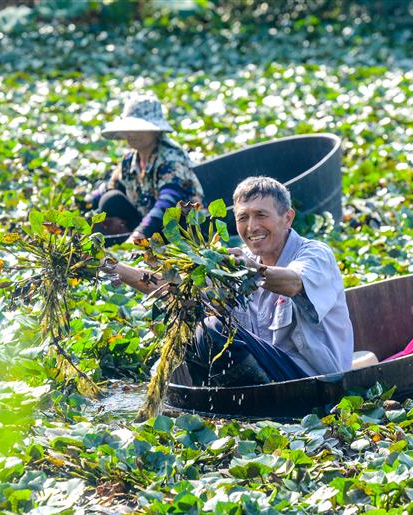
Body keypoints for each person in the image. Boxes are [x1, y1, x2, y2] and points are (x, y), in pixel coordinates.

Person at [114, 176, 354, 386]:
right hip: (268, 370)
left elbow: (293, 283)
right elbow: (178, 291)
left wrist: (251, 270)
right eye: (243, 217)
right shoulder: (238, 260)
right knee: (194, 329)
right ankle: (226, 402)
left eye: (261, 215)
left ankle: (240, 403)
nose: (252, 227)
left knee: (213, 329)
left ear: (288, 218)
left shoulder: (314, 254)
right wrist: (116, 268)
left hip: (311, 378)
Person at [85, 93, 204, 243]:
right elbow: (110, 187)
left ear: (155, 131)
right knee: (110, 199)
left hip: (180, 229)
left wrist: (139, 234)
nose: (131, 134)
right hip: (149, 224)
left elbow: (168, 203)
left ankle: (137, 243)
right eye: (129, 128)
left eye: (138, 128)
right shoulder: (129, 160)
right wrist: (82, 205)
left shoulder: (171, 157)